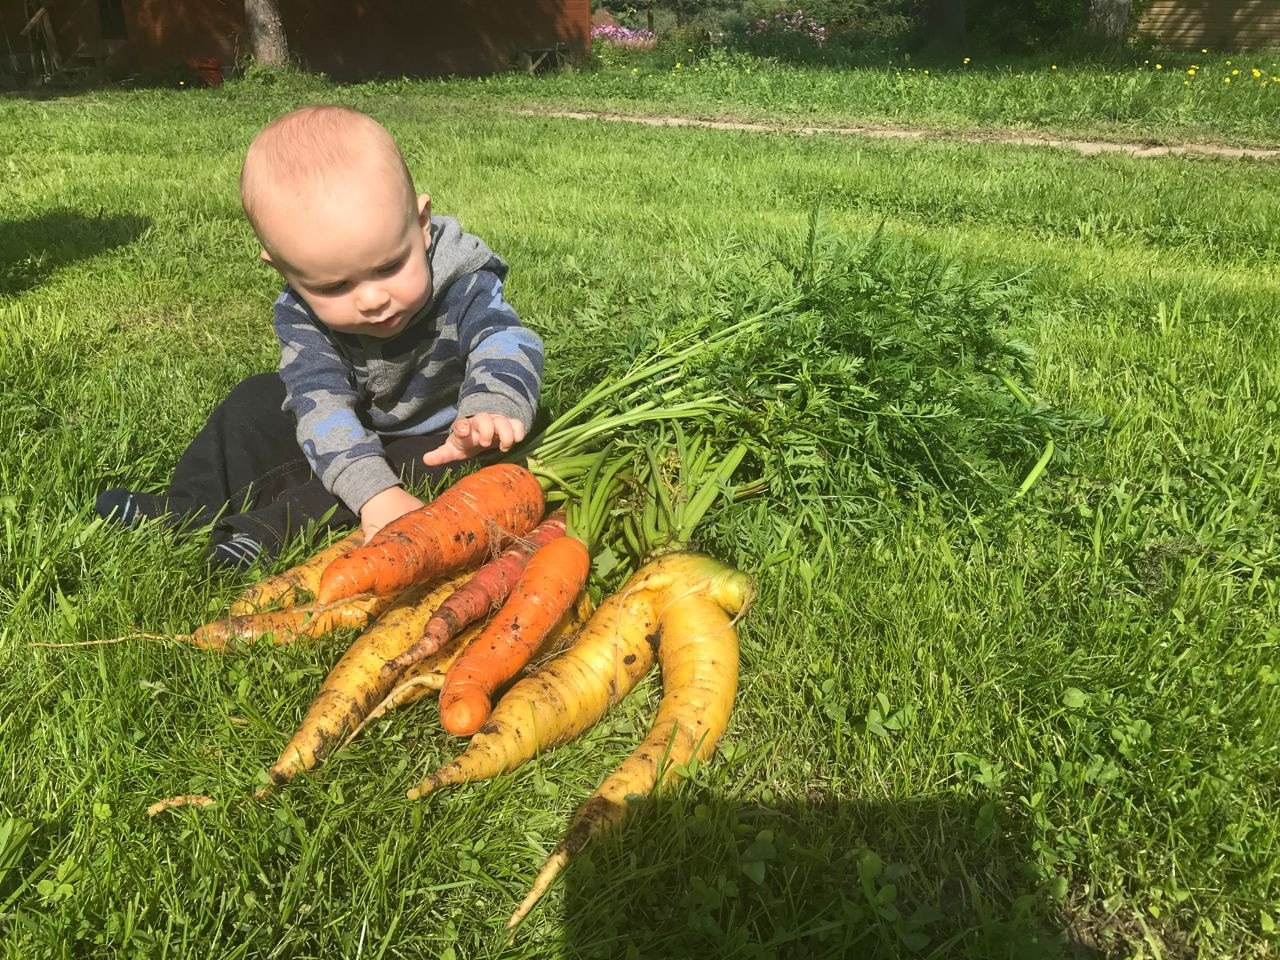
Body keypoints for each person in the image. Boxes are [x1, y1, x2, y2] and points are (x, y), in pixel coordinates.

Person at [94, 105, 544, 569]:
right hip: (348, 421)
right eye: (335, 287)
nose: (372, 300)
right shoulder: (303, 315)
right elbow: (321, 407)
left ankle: (268, 529)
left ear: (422, 225)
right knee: (254, 402)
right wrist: (374, 491)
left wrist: (492, 407)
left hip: (442, 432)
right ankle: (188, 505)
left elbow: (505, 339)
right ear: (284, 270)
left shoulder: (462, 282)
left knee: (427, 462)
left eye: (390, 266)